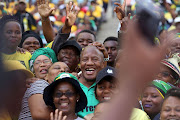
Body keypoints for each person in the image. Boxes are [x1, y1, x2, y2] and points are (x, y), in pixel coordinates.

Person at [77, 45, 105, 118]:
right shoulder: (72, 86)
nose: (89, 63)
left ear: (103, 64)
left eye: (95, 59)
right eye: (85, 59)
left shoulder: (109, 88)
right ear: (79, 64)